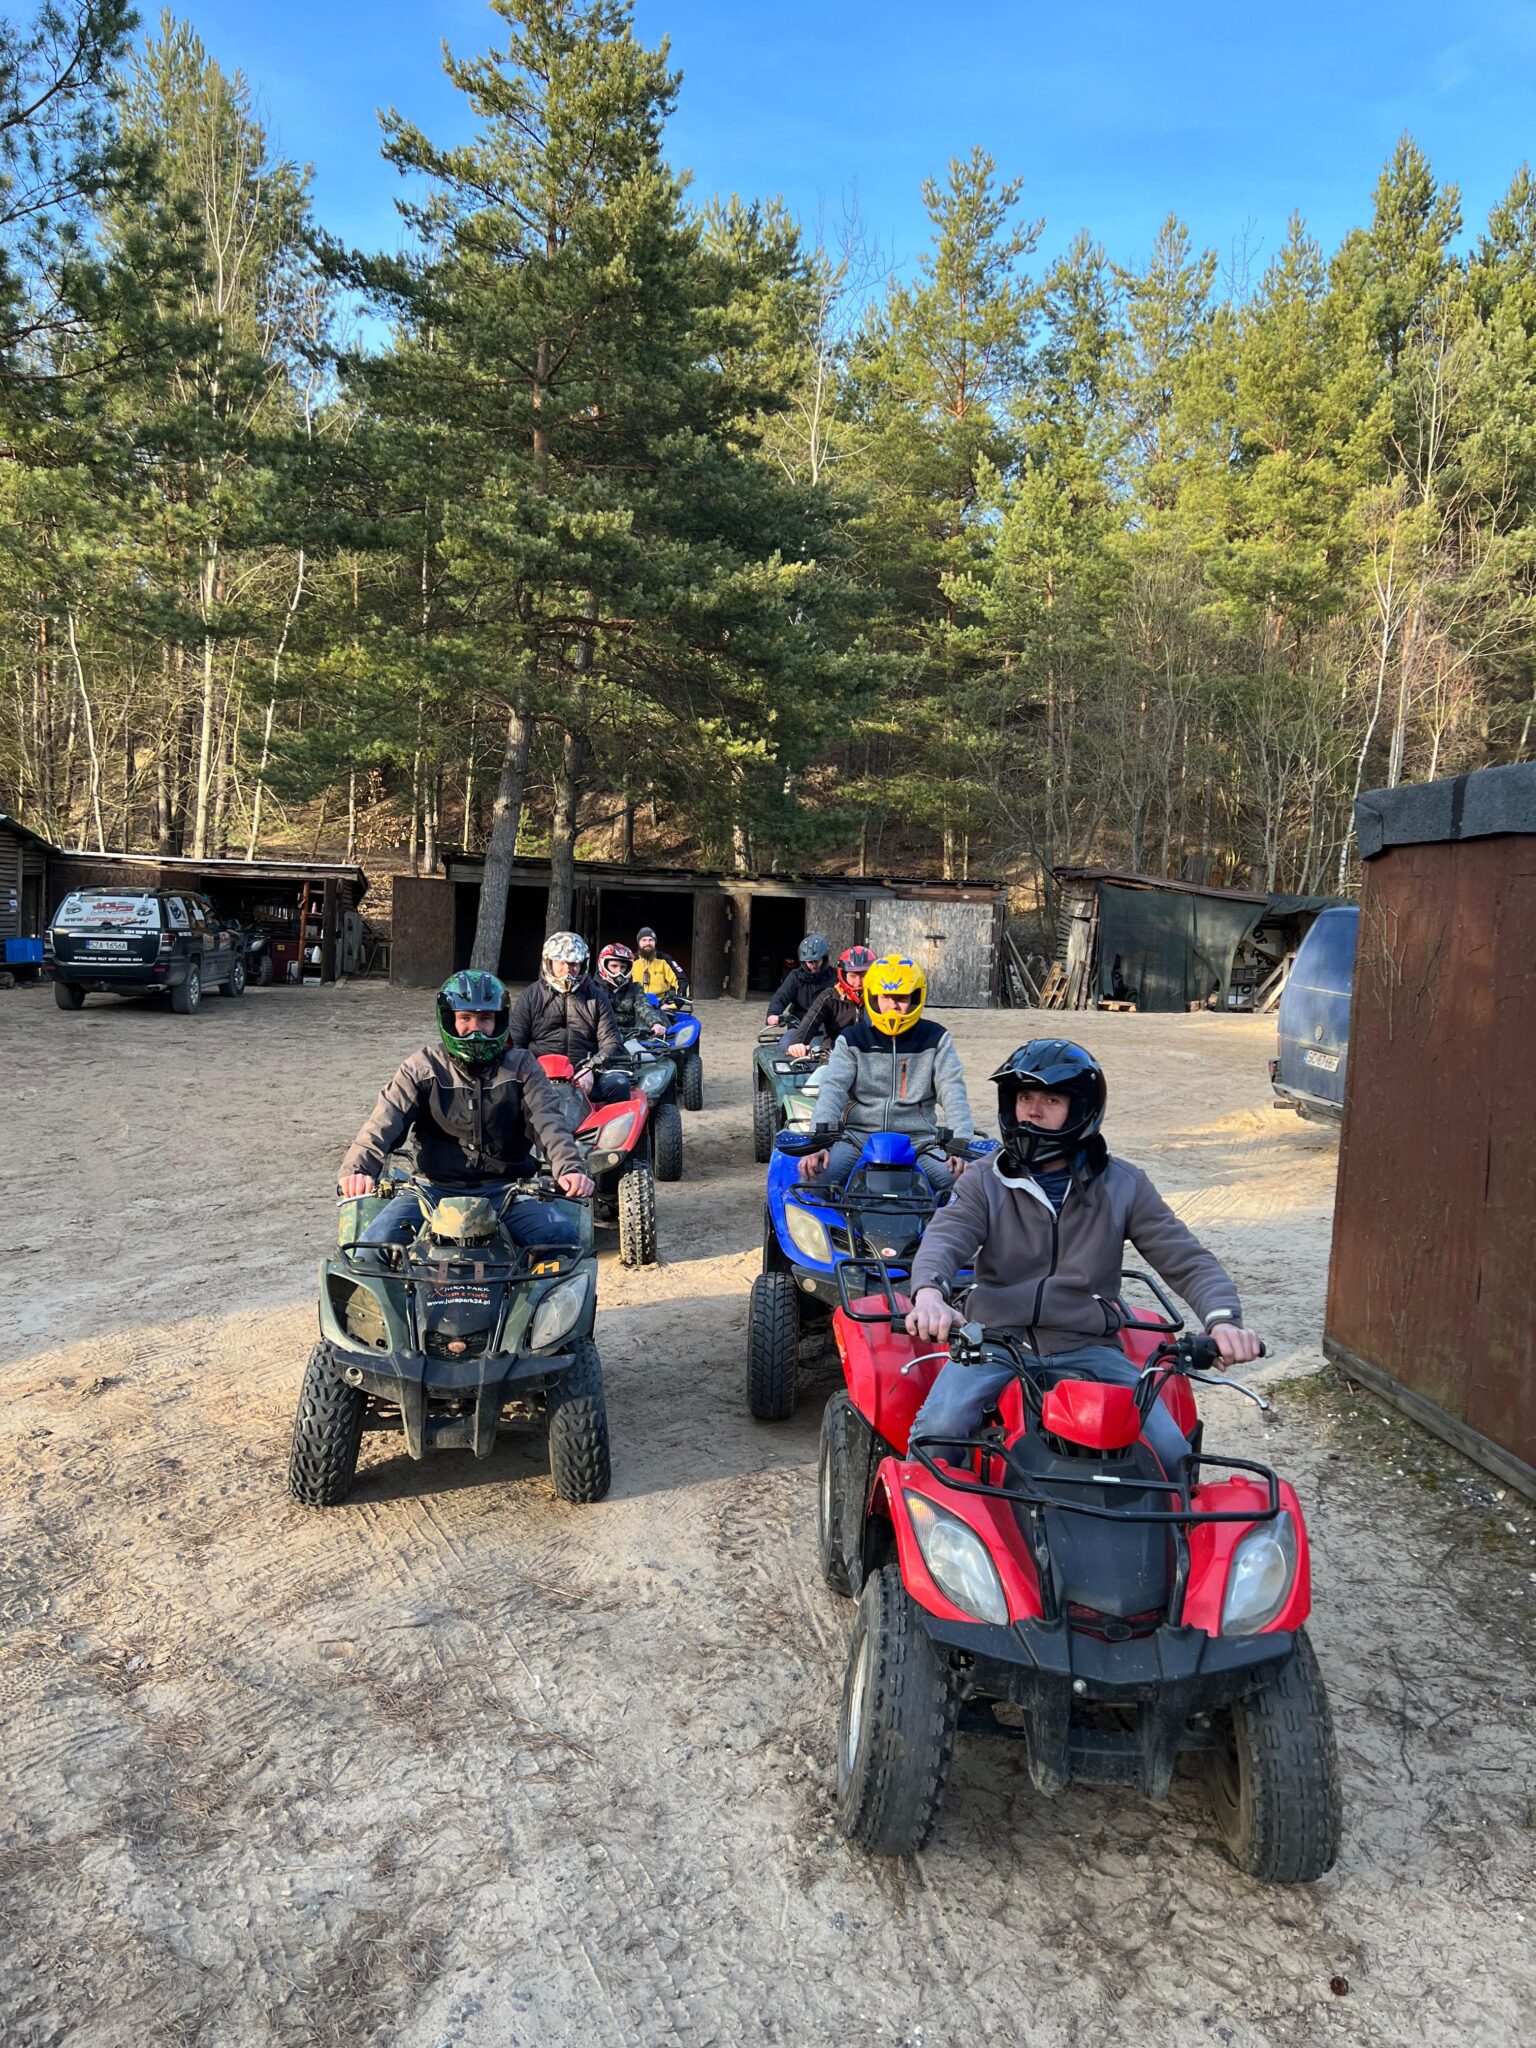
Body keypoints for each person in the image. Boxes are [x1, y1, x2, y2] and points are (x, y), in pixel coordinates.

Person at [905, 1038, 1262, 1456]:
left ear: (1082, 1111)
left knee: (1170, 1453)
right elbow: (947, 1235)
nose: (1032, 1111)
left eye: (1051, 1100)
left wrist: (1223, 1321)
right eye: (1024, 1098)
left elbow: (1185, 1258)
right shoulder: (984, 1179)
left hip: (1088, 1347)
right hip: (994, 1341)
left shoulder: (1124, 1185)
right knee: (937, 1434)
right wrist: (929, 1294)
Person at [338, 970, 594, 1248]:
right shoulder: (422, 1067)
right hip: (431, 1191)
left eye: (485, 1019)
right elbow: (385, 1120)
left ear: (499, 1020)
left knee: (562, 1241)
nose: (475, 1028)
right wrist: (357, 1169)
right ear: (449, 1019)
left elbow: (549, 1123)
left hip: (508, 1191)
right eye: (465, 1018)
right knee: (372, 1247)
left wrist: (569, 1168)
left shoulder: (523, 1066)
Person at [797, 954, 973, 1194]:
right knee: (813, 1181)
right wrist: (820, 1141)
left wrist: (960, 1144)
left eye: (901, 998)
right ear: (872, 997)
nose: (893, 1005)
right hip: (858, 1138)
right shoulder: (852, 1039)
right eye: (885, 997)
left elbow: (952, 1089)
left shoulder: (936, 1038)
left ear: (916, 997)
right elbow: (833, 1089)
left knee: (967, 1185)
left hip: (919, 1140)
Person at [506, 932, 628, 1099]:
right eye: (561, 962)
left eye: (573, 963)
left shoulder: (598, 997)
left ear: (582, 964)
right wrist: (529, 1071)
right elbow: (516, 1042)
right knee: (505, 1089)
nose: (568, 969)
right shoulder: (530, 996)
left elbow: (611, 1042)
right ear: (549, 962)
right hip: (537, 1073)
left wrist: (592, 1067)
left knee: (619, 1084)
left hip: (584, 1072)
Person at [784, 944, 876, 1057]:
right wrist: (798, 1044)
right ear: (843, 975)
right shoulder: (829, 997)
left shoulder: (880, 999)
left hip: (871, 1058)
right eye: (852, 976)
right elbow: (810, 1021)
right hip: (834, 1057)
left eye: (864, 976)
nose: (858, 983)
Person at [596, 942, 669, 1039]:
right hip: (603, 1034)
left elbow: (643, 1006)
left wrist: (656, 1023)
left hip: (632, 1034)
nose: (619, 971)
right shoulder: (593, 988)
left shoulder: (634, 987)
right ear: (603, 965)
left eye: (623, 967)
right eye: (614, 966)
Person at [765, 934, 833, 1027]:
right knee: (789, 1037)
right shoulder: (796, 976)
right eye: (810, 961)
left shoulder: (835, 976)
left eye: (816, 961)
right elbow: (781, 996)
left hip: (827, 1026)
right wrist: (773, 1013)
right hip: (799, 1025)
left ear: (823, 958)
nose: (813, 965)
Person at [633, 926, 689, 1000]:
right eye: (644, 940)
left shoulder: (665, 960)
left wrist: (677, 1003)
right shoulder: (631, 960)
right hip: (635, 1002)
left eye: (651, 940)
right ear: (638, 942)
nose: (647, 943)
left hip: (660, 1003)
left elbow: (682, 980)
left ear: (655, 942)